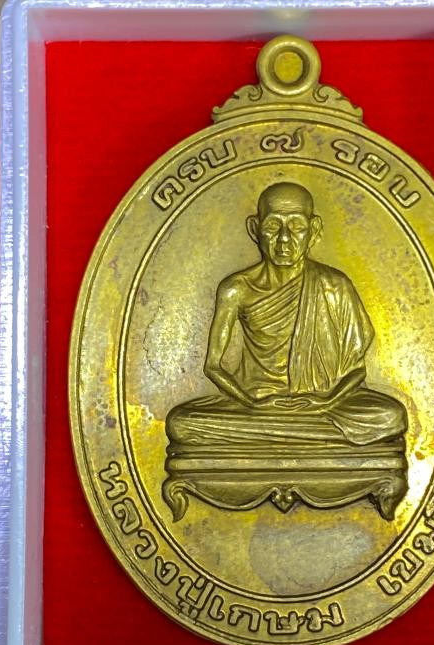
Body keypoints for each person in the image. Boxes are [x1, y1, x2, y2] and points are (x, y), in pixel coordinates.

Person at [166, 182, 407, 455]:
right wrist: (253, 403)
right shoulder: (237, 289)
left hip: (324, 404)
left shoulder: (334, 285)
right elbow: (213, 366)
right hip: (255, 402)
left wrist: (325, 401)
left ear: (313, 230)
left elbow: (356, 370)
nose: (283, 239)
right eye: (273, 226)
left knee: (391, 417)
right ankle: (308, 436)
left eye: (296, 226)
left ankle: (281, 434)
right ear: (255, 228)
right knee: (181, 423)